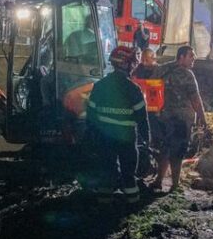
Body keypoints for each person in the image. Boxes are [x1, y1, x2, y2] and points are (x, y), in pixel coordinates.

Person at [87, 46, 150, 204]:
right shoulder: (134, 89)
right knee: (129, 175)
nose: (134, 66)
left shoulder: (100, 85)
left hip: (104, 138)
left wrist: (92, 135)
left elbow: (91, 114)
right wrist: (147, 139)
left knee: (107, 173)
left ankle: (104, 207)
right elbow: (142, 118)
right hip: (127, 140)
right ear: (125, 64)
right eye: (132, 63)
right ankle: (132, 209)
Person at [153, 45, 206, 191]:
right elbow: (195, 99)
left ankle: (158, 180)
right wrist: (202, 117)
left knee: (163, 149)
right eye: (191, 56)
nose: (193, 59)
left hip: (161, 117)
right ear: (181, 57)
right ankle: (175, 184)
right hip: (181, 120)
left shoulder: (161, 69)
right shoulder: (187, 75)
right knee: (178, 151)